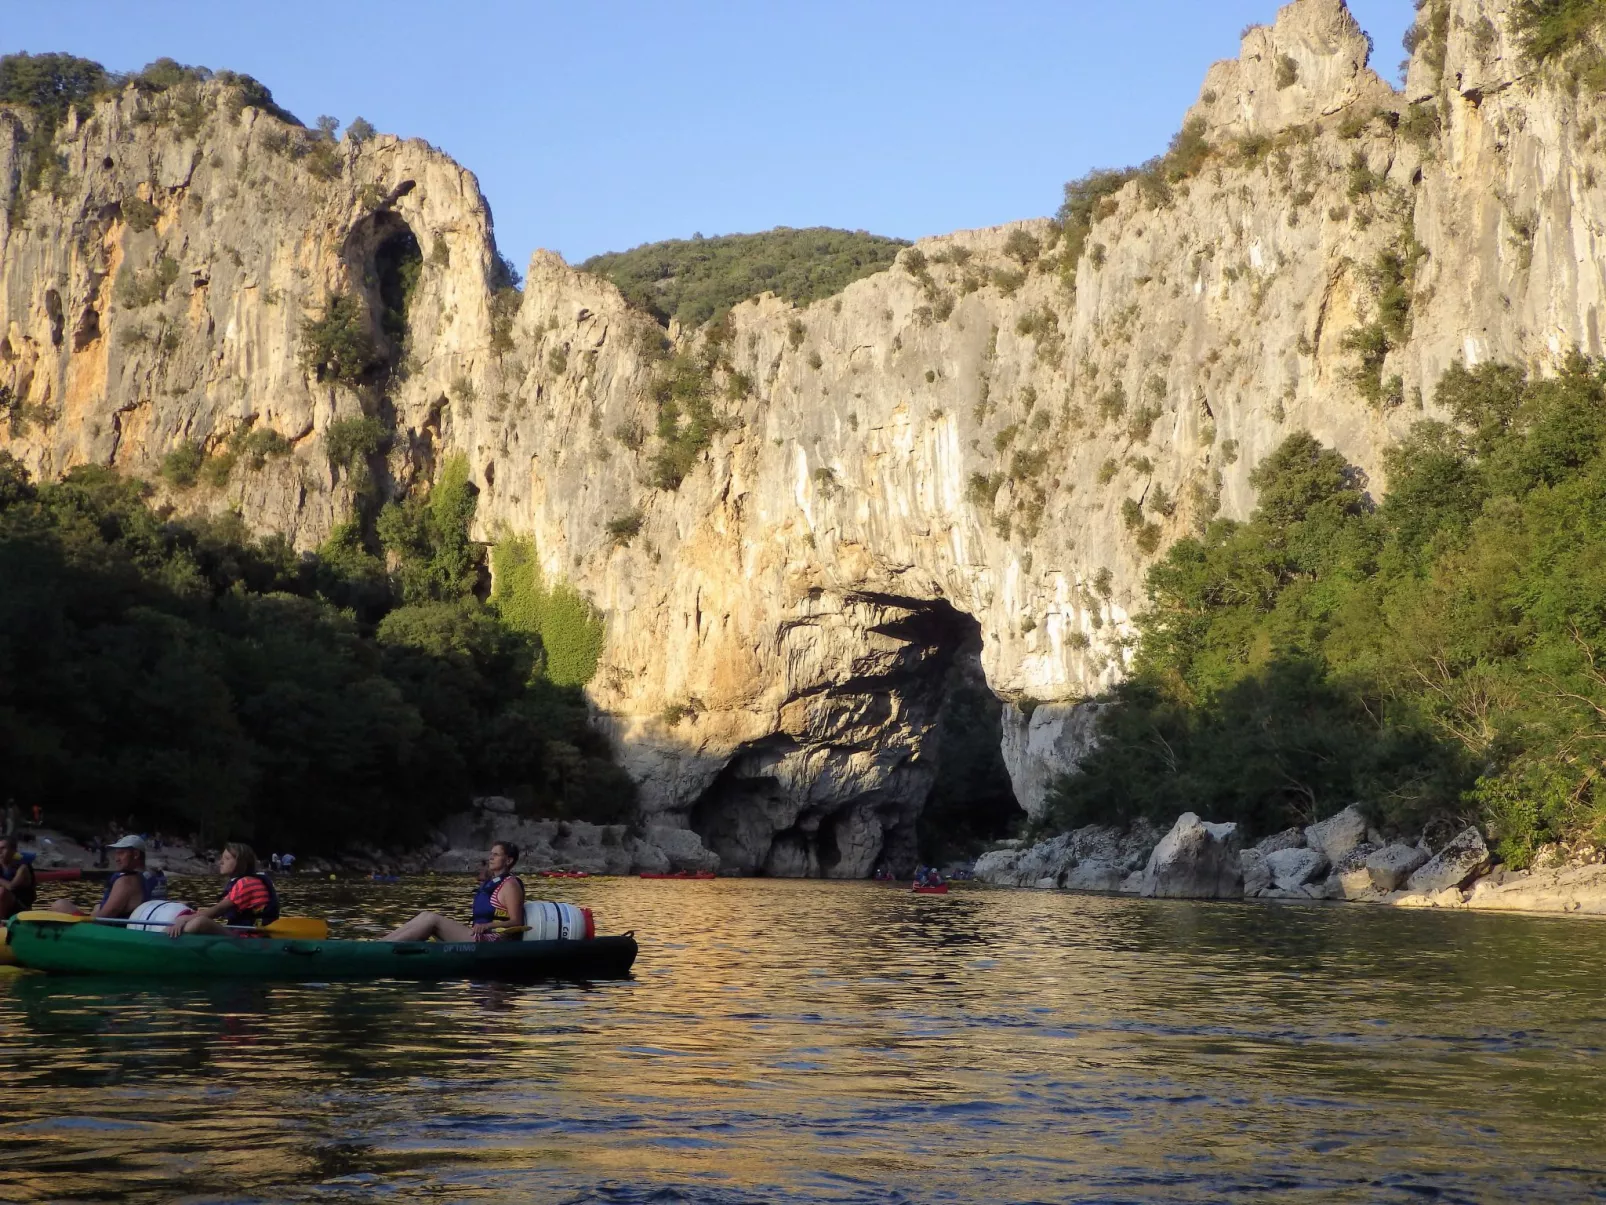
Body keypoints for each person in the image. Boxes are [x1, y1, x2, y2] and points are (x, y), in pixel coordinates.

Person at [382, 842, 525, 943]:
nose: (491, 858)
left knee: (432, 919)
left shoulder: (510, 885)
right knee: (425, 915)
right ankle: (380, 944)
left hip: (493, 941)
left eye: (496, 854)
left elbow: (516, 921)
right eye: (491, 854)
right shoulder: (493, 881)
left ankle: (382, 949)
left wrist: (488, 926)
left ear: (508, 860)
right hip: (480, 936)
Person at [166, 844, 280, 937]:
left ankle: (167, 938)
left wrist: (184, 918)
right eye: (222, 858)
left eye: (227, 858)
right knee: (197, 918)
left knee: (199, 922)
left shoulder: (246, 883)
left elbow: (217, 911)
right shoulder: (246, 880)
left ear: (241, 862)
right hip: (244, 932)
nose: (221, 862)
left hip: (249, 938)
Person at [50, 835, 166, 919]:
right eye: (116, 853)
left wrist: (84, 916)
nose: (116, 858)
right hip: (138, 924)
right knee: (96, 906)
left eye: (121, 853)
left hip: (116, 930)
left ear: (135, 854)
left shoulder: (125, 881)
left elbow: (103, 918)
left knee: (59, 905)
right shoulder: (153, 876)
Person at [0, 835, 35, 919]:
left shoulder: (23, 868)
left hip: (21, 909)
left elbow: (11, 887)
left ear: (13, 850)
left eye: (3, 848)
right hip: (4, 905)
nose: (0, 851)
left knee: (2, 891)